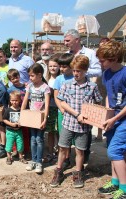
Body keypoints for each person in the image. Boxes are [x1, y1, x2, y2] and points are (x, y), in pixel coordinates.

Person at [50, 55, 102, 188]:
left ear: (85, 71)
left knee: (80, 151)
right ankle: (59, 171)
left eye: (78, 71)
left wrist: (91, 115)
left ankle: (78, 173)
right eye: (74, 70)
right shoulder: (67, 85)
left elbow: (98, 102)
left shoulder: (92, 87)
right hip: (68, 123)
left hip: (83, 127)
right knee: (63, 148)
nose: (75, 73)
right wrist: (76, 114)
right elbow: (62, 102)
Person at [96, 40, 126, 198]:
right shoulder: (106, 73)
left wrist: (115, 118)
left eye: (102, 60)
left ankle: (124, 189)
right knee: (111, 149)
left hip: (123, 118)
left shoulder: (125, 74)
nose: (100, 63)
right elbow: (109, 95)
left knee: (115, 150)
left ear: (114, 58)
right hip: (113, 117)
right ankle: (115, 183)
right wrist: (108, 114)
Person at [21, 63, 50, 173]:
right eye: (29, 76)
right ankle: (33, 160)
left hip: (41, 117)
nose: (30, 78)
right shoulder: (30, 86)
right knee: (33, 139)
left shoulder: (45, 88)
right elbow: (25, 101)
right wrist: (21, 114)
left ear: (40, 75)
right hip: (31, 117)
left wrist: (45, 119)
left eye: (32, 76)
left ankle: (39, 162)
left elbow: (46, 105)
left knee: (39, 139)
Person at [53, 53, 74, 169]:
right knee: (63, 136)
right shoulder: (59, 79)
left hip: (74, 112)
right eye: (60, 66)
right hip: (63, 112)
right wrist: (61, 109)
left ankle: (73, 155)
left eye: (64, 66)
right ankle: (66, 158)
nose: (61, 69)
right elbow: (56, 95)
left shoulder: (76, 78)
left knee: (74, 137)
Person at [43, 54, 61, 163]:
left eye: (55, 66)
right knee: (50, 132)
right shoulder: (47, 79)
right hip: (49, 108)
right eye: (50, 66)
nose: (52, 68)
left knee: (59, 132)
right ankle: (50, 152)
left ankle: (59, 152)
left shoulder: (61, 79)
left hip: (58, 108)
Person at [3, 90, 27, 165]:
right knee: (9, 145)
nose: (14, 102)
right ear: (10, 101)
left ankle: (21, 157)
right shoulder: (8, 110)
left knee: (20, 145)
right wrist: (11, 124)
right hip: (10, 131)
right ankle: (9, 157)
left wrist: (21, 123)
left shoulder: (21, 110)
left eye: (16, 100)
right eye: (12, 100)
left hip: (19, 131)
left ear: (20, 100)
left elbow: (24, 119)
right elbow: (4, 119)